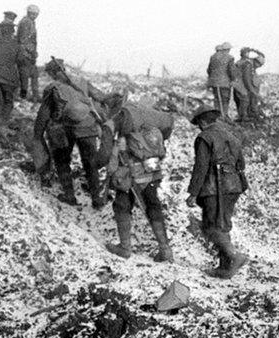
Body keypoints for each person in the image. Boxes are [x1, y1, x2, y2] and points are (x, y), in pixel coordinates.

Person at [104, 97, 176, 262]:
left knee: (121, 205)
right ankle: (165, 249)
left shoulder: (124, 132)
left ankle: (124, 248)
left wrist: (112, 170)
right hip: (152, 170)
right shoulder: (151, 128)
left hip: (132, 172)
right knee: (153, 206)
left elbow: (115, 157)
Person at [33, 57, 110, 208]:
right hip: (88, 127)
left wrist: (38, 134)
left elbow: (44, 113)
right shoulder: (81, 81)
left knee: (62, 161)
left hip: (65, 129)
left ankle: (69, 196)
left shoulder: (53, 88)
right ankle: (97, 199)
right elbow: (100, 96)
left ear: (52, 73)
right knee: (90, 163)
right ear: (63, 68)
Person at [186, 105, 249, 278]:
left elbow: (201, 167)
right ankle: (224, 267)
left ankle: (234, 257)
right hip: (233, 186)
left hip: (214, 187)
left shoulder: (204, 137)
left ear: (203, 121)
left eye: (199, 123)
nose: (199, 126)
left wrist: (193, 192)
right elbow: (241, 164)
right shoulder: (232, 136)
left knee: (210, 227)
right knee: (222, 224)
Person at [17, 5, 40, 101]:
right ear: (29, 13)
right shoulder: (26, 22)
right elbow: (23, 40)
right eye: (33, 14)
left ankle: (34, 96)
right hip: (24, 54)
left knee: (32, 74)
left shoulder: (30, 22)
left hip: (27, 54)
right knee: (25, 76)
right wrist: (32, 51)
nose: (35, 16)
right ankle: (25, 96)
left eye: (36, 14)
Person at [235, 47, 265, 121]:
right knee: (245, 100)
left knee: (245, 99)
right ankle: (244, 116)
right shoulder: (248, 64)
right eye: (258, 64)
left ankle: (247, 114)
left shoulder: (245, 63)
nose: (258, 66)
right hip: (240, 84)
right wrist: (252, 90)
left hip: (238, 83)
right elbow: (247, 79)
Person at [207, 43, 236, 117]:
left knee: (217, 99)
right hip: (224, 83)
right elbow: (231, 70)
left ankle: (217, 115)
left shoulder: (213, 57)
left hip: (214, 82)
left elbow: (209, 70)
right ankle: (224, 115)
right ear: (228, 49)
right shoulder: (230, 58)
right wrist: (233, 79)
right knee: (225, 99)